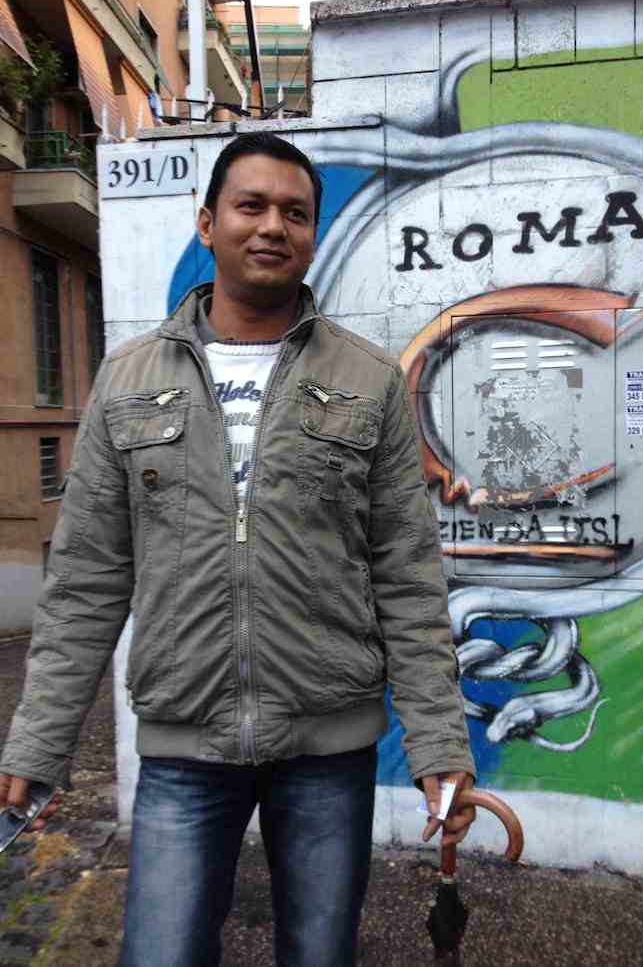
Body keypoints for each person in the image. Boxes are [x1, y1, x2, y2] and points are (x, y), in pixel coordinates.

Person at [0, 132, 476, 967]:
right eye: (250, 205)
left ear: (313, 235)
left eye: (295, 212)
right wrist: (40, 741)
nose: (272, 226)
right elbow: (85, 582)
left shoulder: (367, 380)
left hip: (328, 748)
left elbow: (406, 574)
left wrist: (438, 744)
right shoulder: (129, 379)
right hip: (185, 744)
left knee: (320, 954)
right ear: (207, 222)